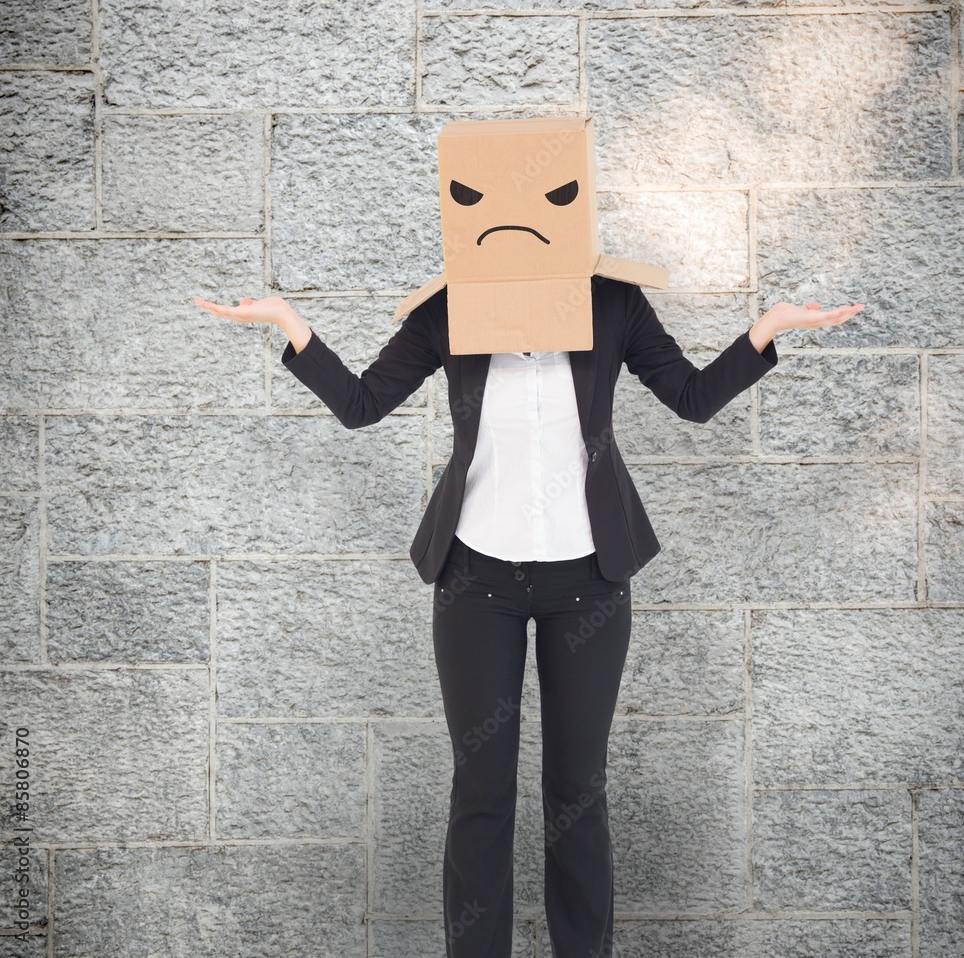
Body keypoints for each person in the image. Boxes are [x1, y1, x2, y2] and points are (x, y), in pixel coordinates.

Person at [194, 285, 864, 958]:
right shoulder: (451, 309)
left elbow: (691, 397)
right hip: (476, 583)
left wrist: (770, 326)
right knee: (482, 790)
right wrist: (286, 320)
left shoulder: (612, 305)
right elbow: (362, 405)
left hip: (589, 582)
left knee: (578, 789)